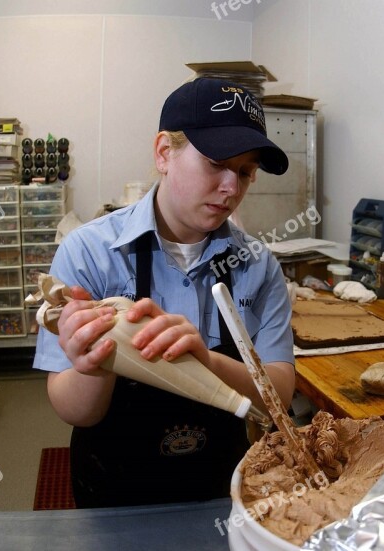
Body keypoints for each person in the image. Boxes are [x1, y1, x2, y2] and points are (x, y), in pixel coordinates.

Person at [33, 78, 296, 508]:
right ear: (163, 153)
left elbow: (279, 395)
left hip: (219, 486)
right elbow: (76, 411)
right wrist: (95, 364)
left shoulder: (258, 265)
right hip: (113, 490)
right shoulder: (90, 253)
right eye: (215, 163)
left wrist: (206, 362)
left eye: (246, 172)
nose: (232, 188)